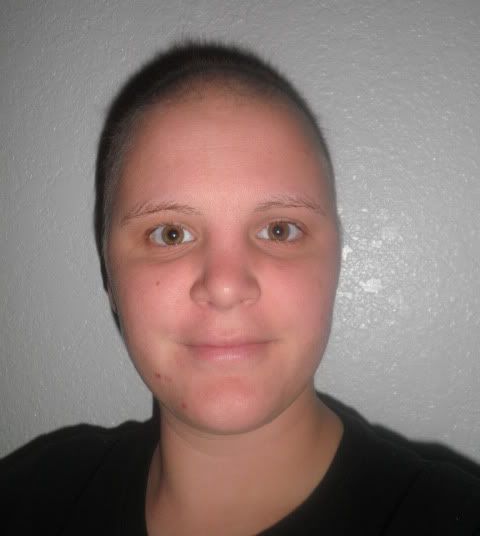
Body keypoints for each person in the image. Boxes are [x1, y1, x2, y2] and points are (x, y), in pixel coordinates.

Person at [1, 42, 479, 535]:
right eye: (171, 234)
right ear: (109, 272)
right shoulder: (30, 498)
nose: (226, 287)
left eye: (279, 230)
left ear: (336, 260)